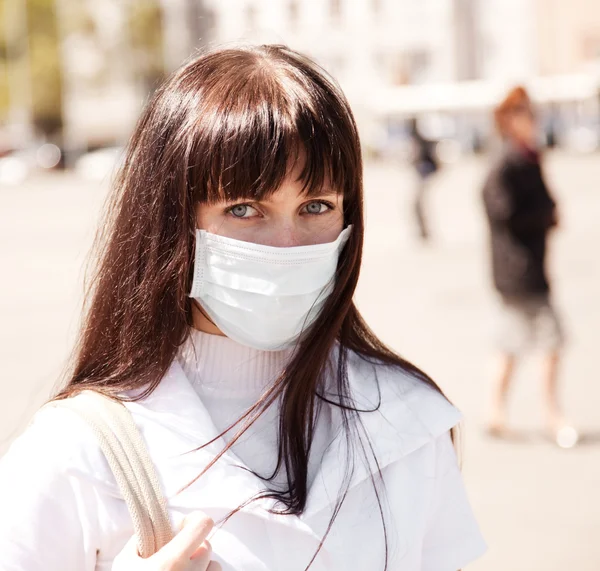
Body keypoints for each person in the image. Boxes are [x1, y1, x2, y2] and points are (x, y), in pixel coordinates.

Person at [0, 45, 486, 571]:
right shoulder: (77, 453)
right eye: (244, 208)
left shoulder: (405, 418)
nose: (286, 246)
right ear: (171, 221)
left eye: (316, 206)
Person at [482, 86, 577, 447]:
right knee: (551, 339)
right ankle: (553, 416)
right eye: (528, 115)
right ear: (510, 120)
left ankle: (495, 412)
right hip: (519, 269)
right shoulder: (506, 161)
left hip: (523, 267)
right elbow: (502, 211)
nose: (534, 122)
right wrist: (546, 216)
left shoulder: (526, 156)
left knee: (509, 343)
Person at [407, 117, 439, 241]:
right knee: (419, 204)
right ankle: (424, 231)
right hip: (422, 174)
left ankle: (425, 231)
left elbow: (417, 156)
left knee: (419, 204)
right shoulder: (420, 138)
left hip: (423, 174)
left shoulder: (418, 139)